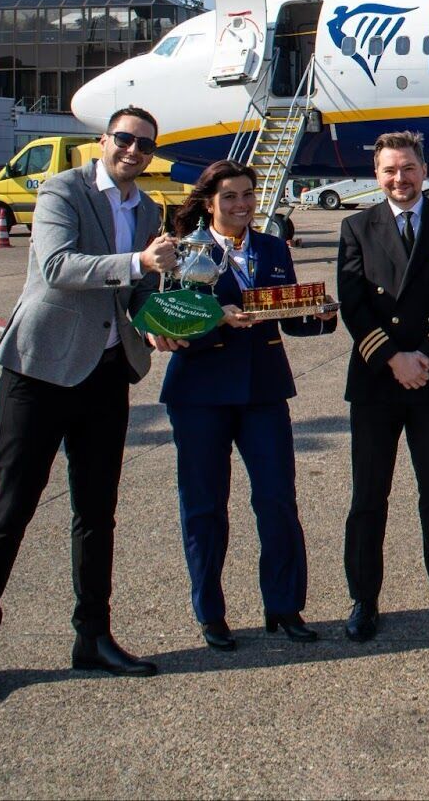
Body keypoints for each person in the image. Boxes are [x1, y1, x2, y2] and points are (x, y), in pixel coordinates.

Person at [0, 106, 181, 706]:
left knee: (96, 512)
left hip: (107, 372)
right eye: (125, 139)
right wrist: (138, 263)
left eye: (145, 144)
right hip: (43, 367)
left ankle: (93, 636)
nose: (134, 150)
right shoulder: (62, 188)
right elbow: (57, 267)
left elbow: (138, 291)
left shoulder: (149, 209)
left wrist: (158, 320)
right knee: (12, 509)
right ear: (104, 141)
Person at [159, 160, 337, 652]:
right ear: (209, 202)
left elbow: (287, 317)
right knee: (204, 507)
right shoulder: (184, 251)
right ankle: (211, 614)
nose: (241, 205)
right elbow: (169, 318)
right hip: (200, 392)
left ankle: (284, 605)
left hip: (263, 391)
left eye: (247, 195)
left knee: (277, 500)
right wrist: (217, 317)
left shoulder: (272, 247)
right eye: (230, 197)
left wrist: (320, 315)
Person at [337, 131, 429, 642]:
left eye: (408, 168)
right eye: (390, 170)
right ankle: (364, 600)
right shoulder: (356, 227)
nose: (400, 179)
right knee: (369, 497)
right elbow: (352, 302)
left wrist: (425, 358)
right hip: (378, 379)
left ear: (424, 170)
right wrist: (393, 358)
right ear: (377, 175)